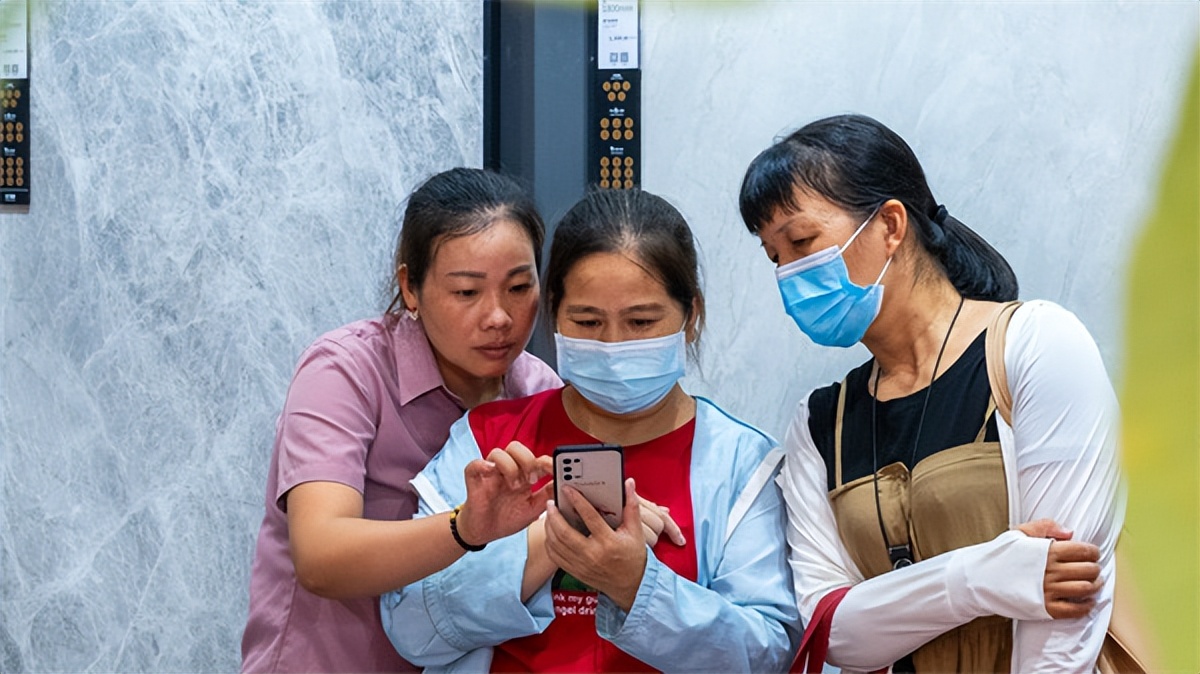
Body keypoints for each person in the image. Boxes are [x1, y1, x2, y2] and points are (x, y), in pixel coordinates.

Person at [737, 113, 1122, 672]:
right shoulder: (819, 422)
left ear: (891, 224)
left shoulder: (1034, 345)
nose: (790, 275)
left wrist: (890, 603)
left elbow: (1069, 600)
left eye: (802, 242)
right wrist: (982, 576)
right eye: (775, 257)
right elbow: (833, 633)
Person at [380, 188, 800, 672]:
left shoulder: (742, 463)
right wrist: (543, 547)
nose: (614, 344)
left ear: (691, 315)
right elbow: (410, 629)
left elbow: (768, 653)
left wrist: (637, 584)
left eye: (641, 321)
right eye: (587, 320)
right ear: (554, 314)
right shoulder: (488, 442)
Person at [241, 167, 563, 673]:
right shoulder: (346, 371)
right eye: (466, 292)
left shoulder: (540, 391)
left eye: (519, 287)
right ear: (410, 287)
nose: (499, 316)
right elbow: (321, 555)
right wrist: (465, 529)